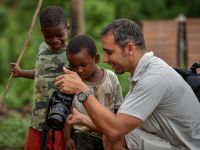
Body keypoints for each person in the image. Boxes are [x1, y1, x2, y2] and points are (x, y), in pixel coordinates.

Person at [55, 19, 200, 150]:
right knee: (115, 135)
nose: (104, 59)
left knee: (114, 138)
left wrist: (82, 89)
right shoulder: (142, 74)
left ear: (130, 49)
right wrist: (81, 119)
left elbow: (114, 130)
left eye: (109, 52)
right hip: (170, 142)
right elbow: (115, 125)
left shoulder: (154, 78)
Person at [10, 6, 70, 150]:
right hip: (37, 117)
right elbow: (40, 73)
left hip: (58, 119)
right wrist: (20, 72)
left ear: (67, 29)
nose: (54, 40)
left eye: (59, 35)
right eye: (49, 36)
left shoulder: (71, 54)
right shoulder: (42, 48)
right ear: (42, 33)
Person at [64, 34, 123, 150]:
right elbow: (68, 113)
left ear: (96, 59)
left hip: (107, 133)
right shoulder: (73, 83)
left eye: (83, 65)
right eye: (74, 67)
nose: (79, 70)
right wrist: (67, 138)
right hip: (82, 135)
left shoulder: (111, 78)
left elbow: (118, 109)